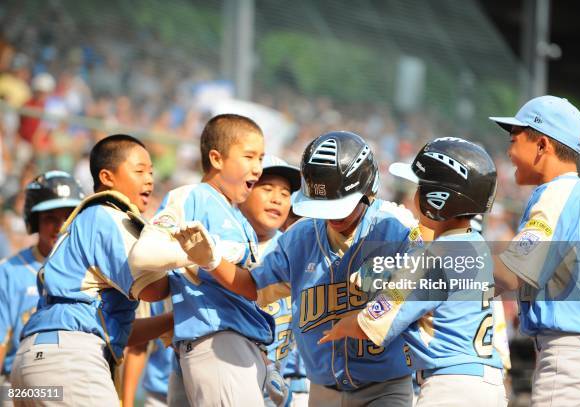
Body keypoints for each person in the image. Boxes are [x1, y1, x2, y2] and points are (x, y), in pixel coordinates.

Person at [172, 131, 419, 406]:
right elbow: (254, 286)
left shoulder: (393, 226)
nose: (331, 215)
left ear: (367, 191)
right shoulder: (300, 236)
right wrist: (213, 261)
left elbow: (440, 281)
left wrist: (379, 299)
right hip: (324, 388)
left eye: (339, 206)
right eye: (322, 205)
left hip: (385, 386)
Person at [318, 137, 507, 407]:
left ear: (438, 199)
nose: (416, 193)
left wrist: (344, 325)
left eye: (421, 186)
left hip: (451, 386)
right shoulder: (477, 247)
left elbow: (379, 318)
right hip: (489, 384)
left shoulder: (434, 256)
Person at [10, 134, 173, 407]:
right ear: (107, 177)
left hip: (31, 365)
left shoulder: (79, 227)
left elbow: (115, 329)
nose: (149, 179)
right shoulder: (108, 214)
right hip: (70, 363)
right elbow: (154, 290)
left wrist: (172, 319)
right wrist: (194, 269)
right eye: (139, 170)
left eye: (151, 172)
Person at [130, 114, 274, 407]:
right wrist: (197, 256)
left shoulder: (239, 217)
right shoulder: (191, 196)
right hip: (218, 342)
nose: (258, 168)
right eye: (249, 156)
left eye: (261, 157)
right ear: (217, 159)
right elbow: (144, 254)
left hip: (233, 346)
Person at [489, 95, 580, 406]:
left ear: (542, 145)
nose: (509, 150)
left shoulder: (559, 192)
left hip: (571, 362)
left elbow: (510, 274)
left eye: (514, 138)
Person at [0, 171, 83, 404]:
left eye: (68, 217)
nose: (60, 226)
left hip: (77, 380)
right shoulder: (9, 271)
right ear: (34, 221)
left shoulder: (91, 271)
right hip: (18, 385)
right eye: (50, 218)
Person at [238, 155, 301, 406]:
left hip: (276, 389)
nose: (277, 198)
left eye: (285, 193)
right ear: (245, 190)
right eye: (267, 188)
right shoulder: (222, 244)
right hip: (225, 373)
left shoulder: (297, 249)